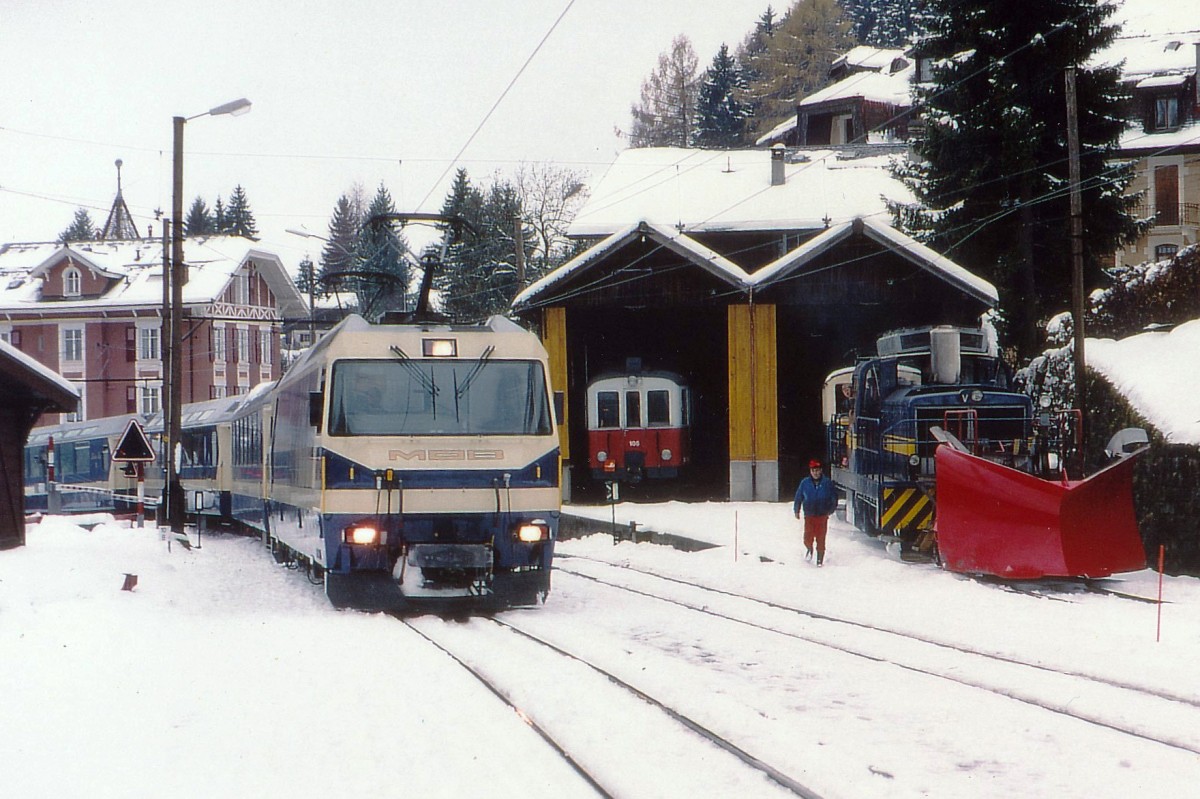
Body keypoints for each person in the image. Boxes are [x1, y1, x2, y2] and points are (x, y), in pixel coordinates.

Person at [793, 458, 838, 566]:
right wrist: (796, 510)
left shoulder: (827, 483)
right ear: (810, 471)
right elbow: (798, 496)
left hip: (822, 515)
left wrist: (830, 509)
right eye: (813, 471)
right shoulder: (805, 483)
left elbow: (834, 498)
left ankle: (819, 560)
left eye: (817, 470)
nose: (816, 473)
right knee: (807, 537)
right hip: (809, 515)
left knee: (821, 537)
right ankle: (809, 549)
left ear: (821, 470)